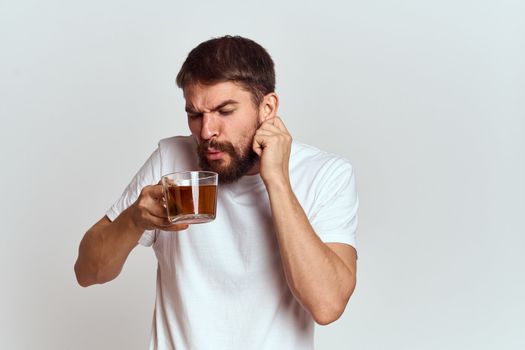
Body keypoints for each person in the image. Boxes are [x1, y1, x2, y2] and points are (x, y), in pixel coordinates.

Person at [74, 35, 359, 350]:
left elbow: (327, 305)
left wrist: (276, 180)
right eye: (195, 114)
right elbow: (87, 272)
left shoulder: (325, 174)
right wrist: (133, 220)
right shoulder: (171, 160)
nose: (206, 131)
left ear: (267, 107)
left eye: (224, 111)